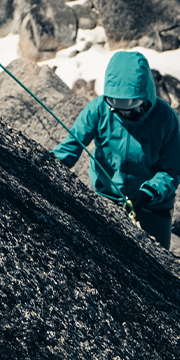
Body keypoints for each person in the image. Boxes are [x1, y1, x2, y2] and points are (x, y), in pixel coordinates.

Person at [51, 49, 180, 248]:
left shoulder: (166, 119)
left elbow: (171, 170)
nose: (123, 113)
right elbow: (71, 146)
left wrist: (148, 193)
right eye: (115, 104)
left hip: (153, 206)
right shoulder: (98, 109)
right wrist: (45, 165)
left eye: (131, 105)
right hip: (107, 198)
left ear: (145, 96)